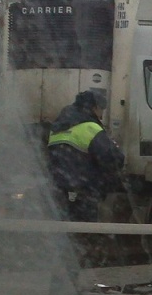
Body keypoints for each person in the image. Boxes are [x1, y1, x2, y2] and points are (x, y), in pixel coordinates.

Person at [46, 90, 125, 222]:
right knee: (85, 229)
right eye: (101, 110)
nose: (101, 116)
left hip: (59, 187)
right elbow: (113, 158)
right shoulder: (90, 128)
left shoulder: (58, 128)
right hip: (84, 189)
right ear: (94, 108)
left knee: (63, 226)